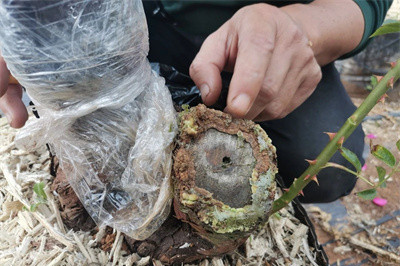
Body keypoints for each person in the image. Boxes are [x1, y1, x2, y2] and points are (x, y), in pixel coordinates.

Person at [0, 0, 393, 203]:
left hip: (248, 37)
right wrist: (23, 23)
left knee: (328, 156)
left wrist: (304, 29)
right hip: (117, 27)